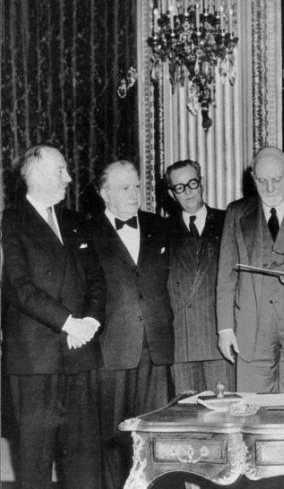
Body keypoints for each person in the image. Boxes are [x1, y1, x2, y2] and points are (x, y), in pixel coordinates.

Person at [2, 144, 105, 489]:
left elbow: (96, 281)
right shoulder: (11, 221)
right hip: (35, 359)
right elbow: (18, 287)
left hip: (80, 354)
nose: (70, 178)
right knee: (35, 465)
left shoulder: (78, 222)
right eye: (61, 171)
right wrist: (68, 322)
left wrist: (88, 322)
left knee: (85, 462)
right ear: (38, 174)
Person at [88, 160, 174, 489]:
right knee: (114, 438)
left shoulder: (160, 226)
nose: (135, 194)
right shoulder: (87, 231)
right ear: (103, 192)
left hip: (157, 347)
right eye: (125, 187)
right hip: (111, 349)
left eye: (137, 186)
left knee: (155, 437)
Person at [216, 147, 284, 393]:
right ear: (253, 178)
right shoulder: (236, 213)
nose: (269, 188)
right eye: (262, 181)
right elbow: (226, 274)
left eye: (276, 180)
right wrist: (224, 329)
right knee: (253, 408)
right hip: (251, 327)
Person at [165, 160, 234, 393]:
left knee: (222, 413)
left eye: (192, 183)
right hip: (180, 341)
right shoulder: (161, 230)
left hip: (220, 338)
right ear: (171, 193)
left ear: (201, 184)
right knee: (186, 417)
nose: (188, 192)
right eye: (180, 187)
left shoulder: (229, 221)